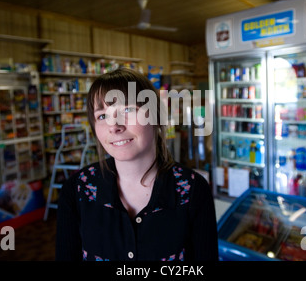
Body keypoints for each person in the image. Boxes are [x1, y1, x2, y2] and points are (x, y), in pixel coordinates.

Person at [55, 68, 219, 261]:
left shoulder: (193, 190)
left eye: (127, 110)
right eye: (102, 116)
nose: (114, 126)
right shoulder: (76, 190)